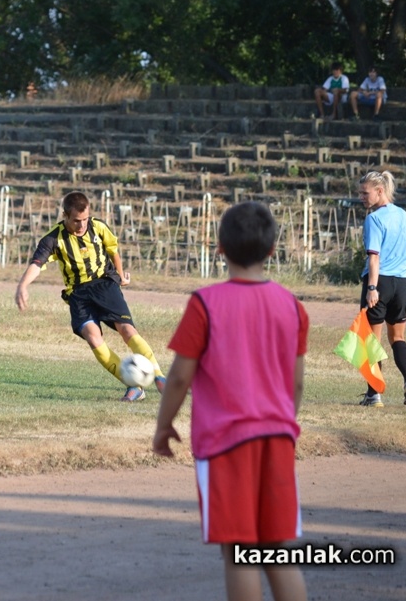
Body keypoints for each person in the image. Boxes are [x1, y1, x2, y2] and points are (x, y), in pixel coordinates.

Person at [153, 201, 309, 601]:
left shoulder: (205, 303)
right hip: (277, 438)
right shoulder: (292, 306)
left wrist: (163, 425)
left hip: (226, 444)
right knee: (276, 549)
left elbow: (179, 377)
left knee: (239, 551)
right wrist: (282, 423)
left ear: (220, 247)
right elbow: (296, 384)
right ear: (272, 250)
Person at [15, 190, 166, 402]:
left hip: (104, 284)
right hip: (77, 294)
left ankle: (159, 377)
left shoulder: (98, 226)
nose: (82, 225)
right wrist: (23, 285)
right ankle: (134, 386)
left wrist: (121, 275)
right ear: (65, 215)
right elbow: (36, 264)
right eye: (77, 221)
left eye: (85, 219)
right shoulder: (53, 238)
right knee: (94, 339)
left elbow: (113, 250)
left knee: (127, 330)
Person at [357, 170, 406, 407]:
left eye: (365, 193)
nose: (362, 197)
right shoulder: (402, 215)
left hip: (379, 282)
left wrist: (372, 287)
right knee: (398, 337)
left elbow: (374, 257)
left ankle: (374, 395)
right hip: (401, 283)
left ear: (379, 191)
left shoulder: (374, 219)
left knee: (372, 340)